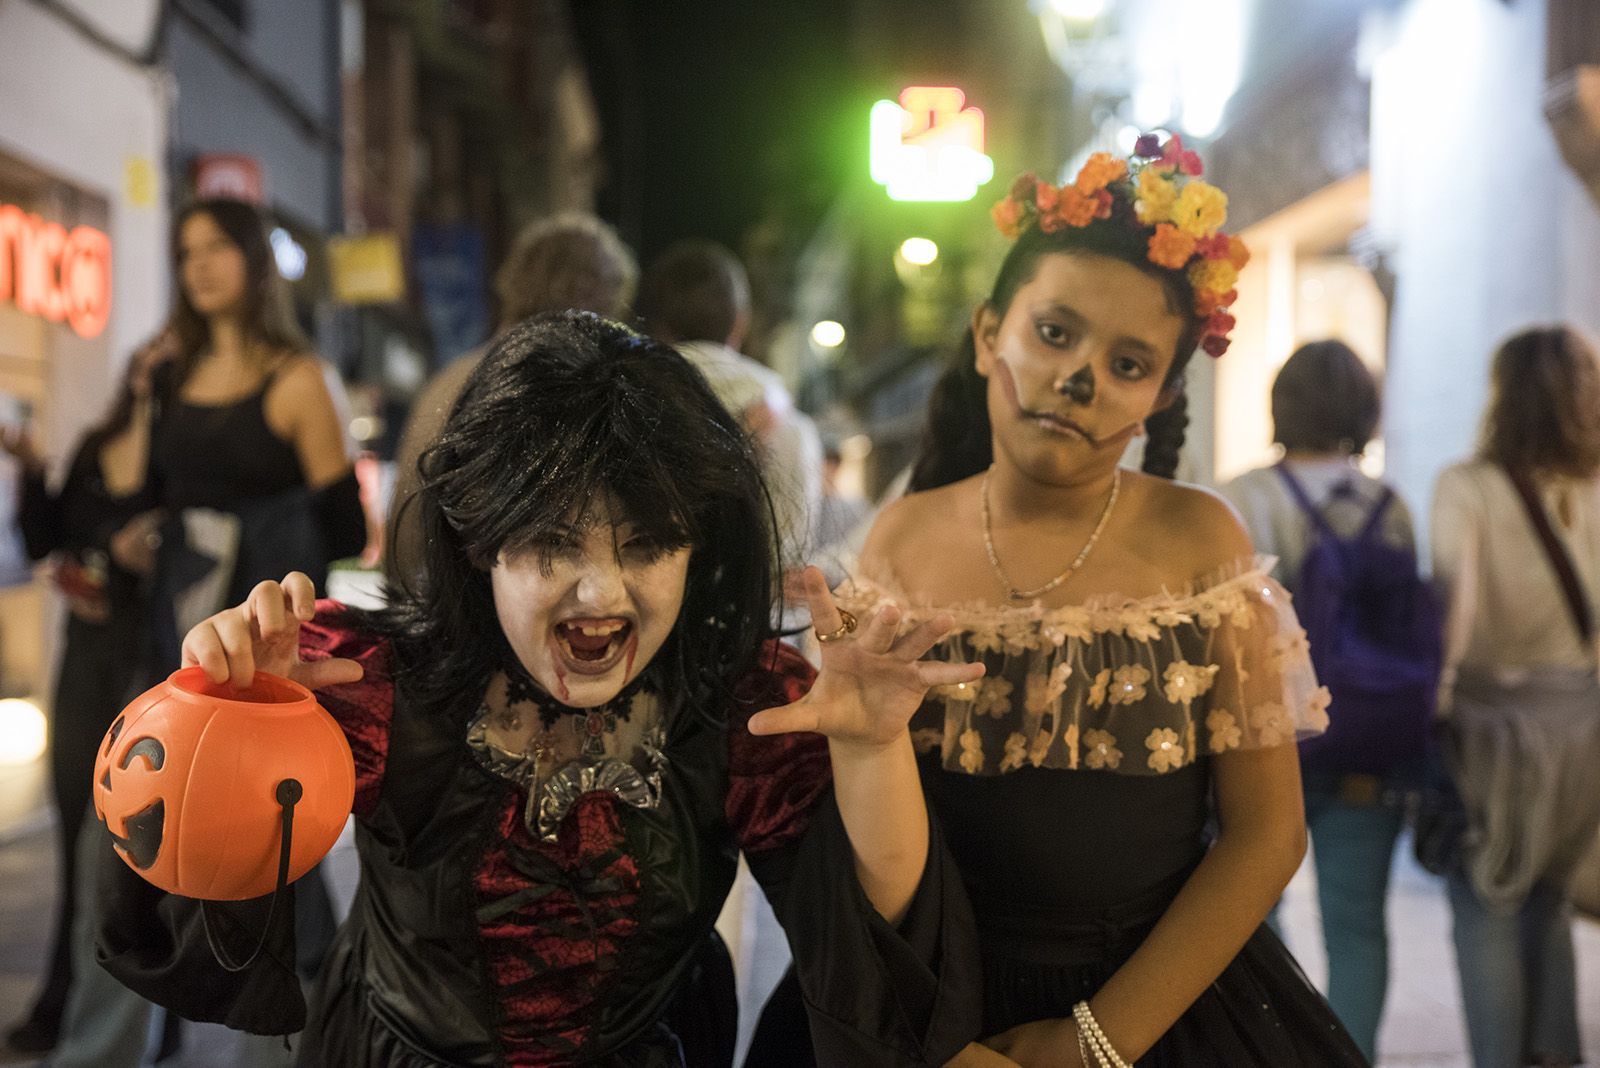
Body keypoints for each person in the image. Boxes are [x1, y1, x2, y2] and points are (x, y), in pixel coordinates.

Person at [95, 310, 983, 1066]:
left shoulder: (751, 701)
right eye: (551, 544)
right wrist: (230, 722)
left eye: (644, 544)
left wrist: (871, 749)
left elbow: (884, 966)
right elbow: (179, 894)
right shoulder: (357, 676)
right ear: (478, 540)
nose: (600, 594)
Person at [847, 137, 1368, 1065]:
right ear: (986, 335)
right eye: (1054, 334)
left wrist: (1095, 1043)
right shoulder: (900, 542)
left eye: (1128, 364)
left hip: (1155, 1010)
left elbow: (1267, 834)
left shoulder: (1203, 547)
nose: (1076, 379)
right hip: (937, 1001)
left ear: (1162, 399)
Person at [1219, 340, 1421, 1061]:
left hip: (1265, 740)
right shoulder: (1387, 504)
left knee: (1252, 916)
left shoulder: (1240, 499)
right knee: (1359, 924)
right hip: (1367, 741)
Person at [1432, 326, 1600, 1068]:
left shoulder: (1466, 486)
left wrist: (1432, 704)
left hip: (1491, 726)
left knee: (1488, 907)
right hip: (1583, 725)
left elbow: (1455, 611)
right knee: (1551, 901)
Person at [0, 336, 167, 1057]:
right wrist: (35, 472)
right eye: (148, 350)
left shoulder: (186, 457)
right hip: (87, 666)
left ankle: (146, 1016)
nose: (154, 359)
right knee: (77, 837)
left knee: (139, 851)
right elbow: (48, 544)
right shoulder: (98, 444)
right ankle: (65, 995)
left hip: (153, 669)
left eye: (171, 354)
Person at [388, 213, 638, 583]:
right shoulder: (545, 385)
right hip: (471, 624)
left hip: (420, 608)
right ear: (599, 297)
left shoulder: (451, 378)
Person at [639, 239, 823, 567]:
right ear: (741, 321)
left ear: (658, 324)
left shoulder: (631, 401)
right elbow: (792, 558)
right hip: (762, 615)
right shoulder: (794, 427)